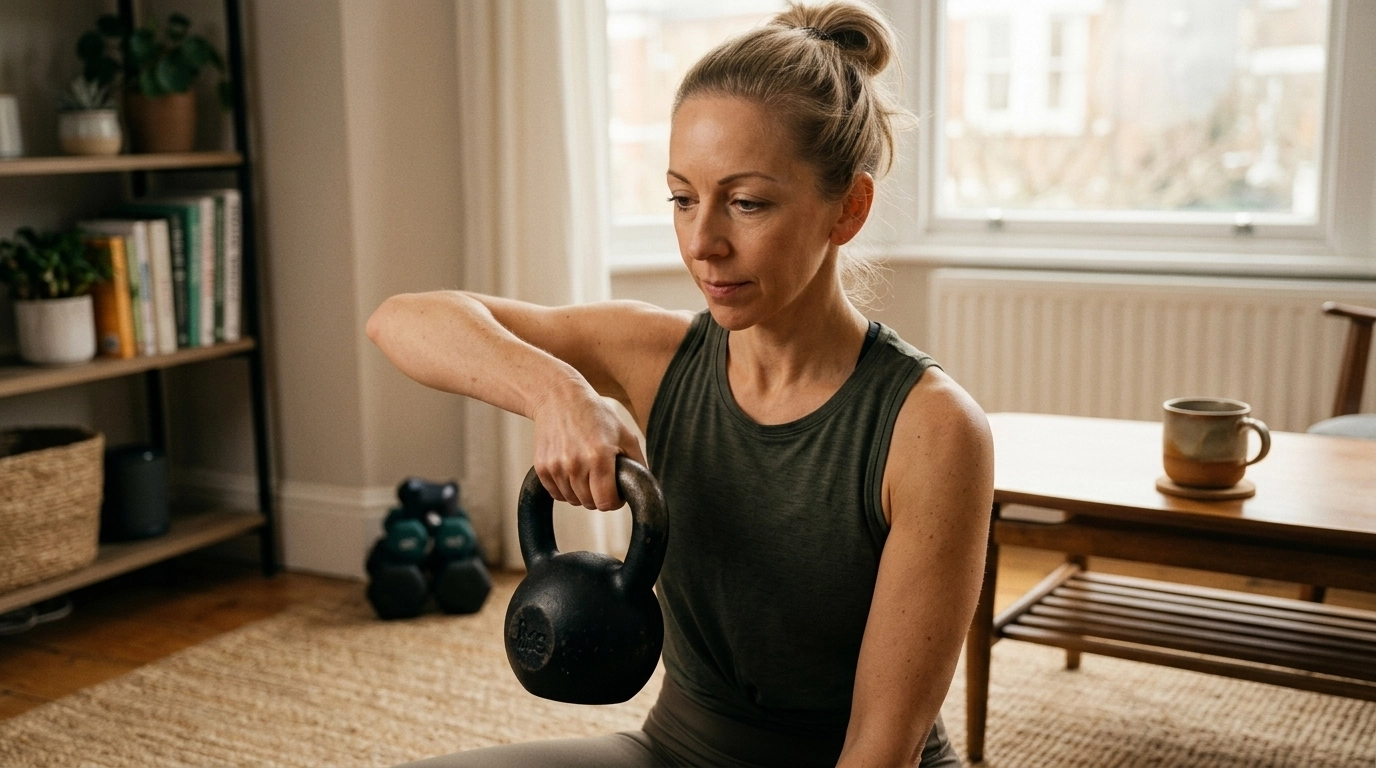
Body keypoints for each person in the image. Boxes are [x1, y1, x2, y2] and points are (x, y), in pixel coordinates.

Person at [367, 2, 993, 765]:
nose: (703, 244)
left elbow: (880, 746)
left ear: (848, 208)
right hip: (678, 752)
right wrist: (558, 393)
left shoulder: (931, 430)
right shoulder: (658, 355)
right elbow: (402, 320)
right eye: (682, 197)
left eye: (747, 202)